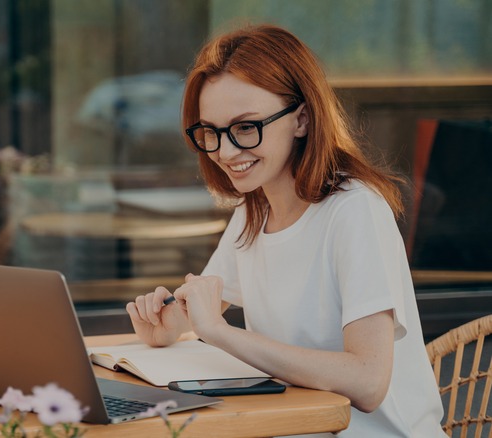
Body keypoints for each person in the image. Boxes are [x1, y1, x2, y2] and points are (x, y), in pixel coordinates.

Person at [126, 24, 444, 436]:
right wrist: (169, 325)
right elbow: (199, 309)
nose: (225, 151)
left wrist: (219, 333)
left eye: (245, 127)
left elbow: (368, 381)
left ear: (302, 120)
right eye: (211, 132)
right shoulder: (254, 209)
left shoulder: (353, 210)